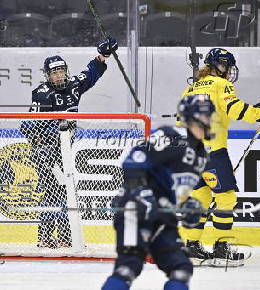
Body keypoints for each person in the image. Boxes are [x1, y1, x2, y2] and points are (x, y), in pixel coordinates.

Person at [102, 95, 215, 290]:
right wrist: (142, 195)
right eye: (207, 116)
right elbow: (133, 161)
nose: (210, 121)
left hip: (162, 218)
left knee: (181, 268)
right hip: (134, 209)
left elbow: (176, 191)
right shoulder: (171, 136)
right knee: (128, 267)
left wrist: (187, 206)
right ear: (194, 117)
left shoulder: (201, 155)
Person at [181, 48, 260, 266]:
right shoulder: (220, 84)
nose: (229, 71)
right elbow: (235, 109)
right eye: (226, 66)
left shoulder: (191, 88)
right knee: (226, 197)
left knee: (201, 198)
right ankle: (221, 249)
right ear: (218, 66)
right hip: (213, 151)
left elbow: (181, 120)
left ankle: (192, 248)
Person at [23, 37, 118, 248]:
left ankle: (65, 237)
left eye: (61, 71)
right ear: (48, 75)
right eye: (54, 73)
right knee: (51, 191)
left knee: (66, 192)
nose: (59, 75)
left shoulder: (74, 86)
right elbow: (28, 126)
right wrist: (45, 144)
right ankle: (46, 237)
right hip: (45, 150)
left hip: (65, 150)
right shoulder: (42, 94)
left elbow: (90, 74)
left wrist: (104, 55)